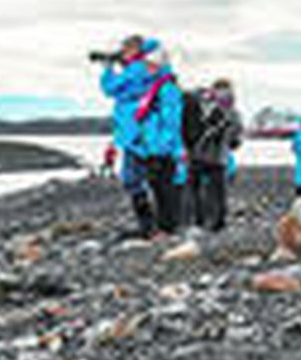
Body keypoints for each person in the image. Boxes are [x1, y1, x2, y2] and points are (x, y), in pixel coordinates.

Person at [97, 35, 185, 237]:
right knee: (135, 182)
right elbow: (112, 89)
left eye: (126, 49)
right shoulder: (137, 75)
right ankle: (150, 227)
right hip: (135, 141)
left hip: (150, 143)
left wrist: (162, 146)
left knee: (158, 185)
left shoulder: (156, 80)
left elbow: (172, 121)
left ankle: (160, 228)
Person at [184, 78, 243, 231]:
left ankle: (199, 221)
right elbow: (235, 139)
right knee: (217, 191)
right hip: (218, 156)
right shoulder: (233, 112)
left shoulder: (201, 104)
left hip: (197, 153)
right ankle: (217, 222)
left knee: (195, 189)